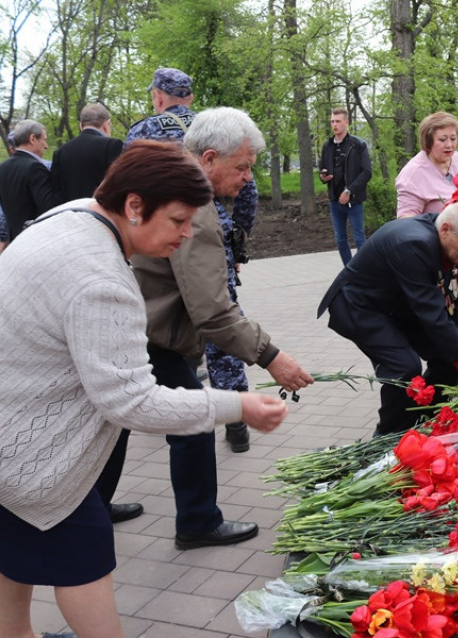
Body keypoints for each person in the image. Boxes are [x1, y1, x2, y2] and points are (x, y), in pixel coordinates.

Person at [0, 141, 288, 638]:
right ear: (134, 206)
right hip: (35, 461)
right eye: (178, 220)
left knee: (17, 548)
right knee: (83, 554)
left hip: (9, 437)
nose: (185, 233)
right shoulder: (103, 280)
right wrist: (237, 404)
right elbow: (132, 402)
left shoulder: (68, 216)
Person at [97, 107, 314, 551]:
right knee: (192, 422)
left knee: (114, 424)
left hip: (137, 328)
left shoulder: (176, 190)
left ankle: (94, 506)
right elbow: (212, 312)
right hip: (152, 336)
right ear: (210, 158)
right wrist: (273, 357)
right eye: (243, 167)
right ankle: (195, 522)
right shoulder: (192, 208)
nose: (248, 178)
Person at [126, 66, 260, 453]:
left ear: (158, 96)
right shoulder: (217, 127)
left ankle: (176, 404)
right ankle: (235, 423)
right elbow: (246, 194)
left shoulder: (143, 131)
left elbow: (127, 188)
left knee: (187, 327)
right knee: (221, 321)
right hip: (212, 239)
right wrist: (238, 245)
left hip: (158, 249)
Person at [318, 200, 458, 435]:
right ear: (445, 229)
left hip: (401, 305)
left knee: (450, 359)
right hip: (359, 305)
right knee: (403, 367)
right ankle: (388, 440)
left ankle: (426, 425)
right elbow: (434, 319)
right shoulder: (412, 243)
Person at [395, 112, 458, 218]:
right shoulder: (413, 173)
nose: (449, 145)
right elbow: (405, 220)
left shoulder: (456, 158)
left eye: (453, 139)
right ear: (428, 142)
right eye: (442, 140)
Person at [318, 108, 372, 264]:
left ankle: (363, 272)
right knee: (340, 240)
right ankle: (349, 272)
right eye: (332, 121)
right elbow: (322, 169)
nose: (334, 125)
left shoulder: (358, 145)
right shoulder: (327, 146)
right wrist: (323, 176)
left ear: (346, 122)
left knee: (359, 238)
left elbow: (367, 172)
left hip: (353, 200)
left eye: (338, 121)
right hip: (335, 201)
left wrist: (349, 190)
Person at [0, 119, 62, 242]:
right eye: (44, 139)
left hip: (14, 241)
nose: (46, 146)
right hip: (36, 240)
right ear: (33, 139)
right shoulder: (35, 168)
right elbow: (49, 207)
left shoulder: (3, 167)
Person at [50, 103, 123, 200]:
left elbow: (57, 191)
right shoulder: (112, 145)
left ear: (80, 126)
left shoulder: (60, 153)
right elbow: (119, 184)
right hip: (101, 211)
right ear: (107, 124)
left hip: (70, 212)